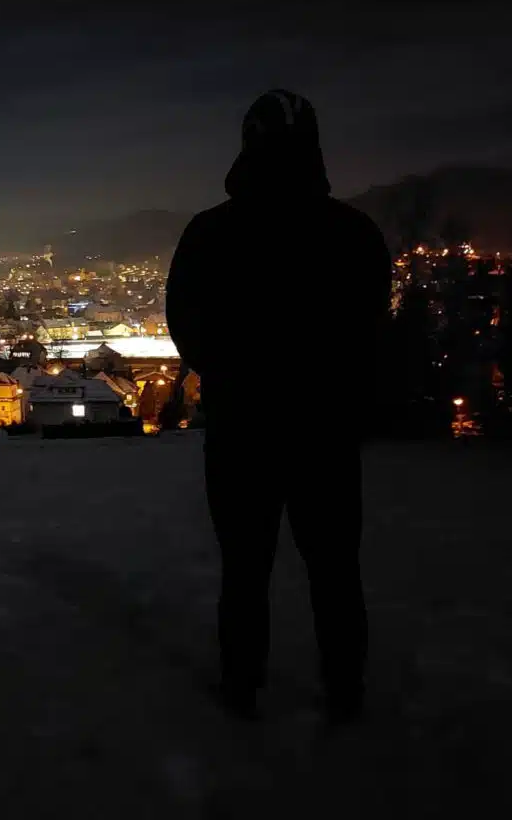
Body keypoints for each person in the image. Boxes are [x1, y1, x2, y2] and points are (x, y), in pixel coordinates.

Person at [166, 90, 391, 723]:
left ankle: (242, 690)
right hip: (326, 429)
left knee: (244, 569)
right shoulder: (353, 233)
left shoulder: (211, 232)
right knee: (335, 570)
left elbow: (186, 325)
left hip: (243, 428)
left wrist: (235, 373)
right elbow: (371, 328)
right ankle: (345, 693)